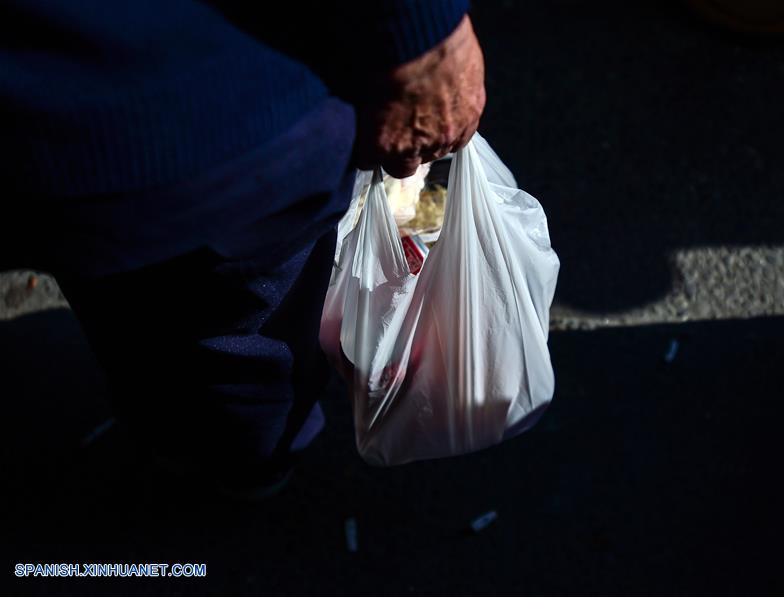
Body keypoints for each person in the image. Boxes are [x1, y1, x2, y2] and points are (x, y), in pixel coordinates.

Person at [0, 1, 485, 499]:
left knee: (117, 300)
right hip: (229, 123)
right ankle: (238, 463)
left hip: (39, 135)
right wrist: (426, 39)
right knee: (243, 339)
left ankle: (170, 430)